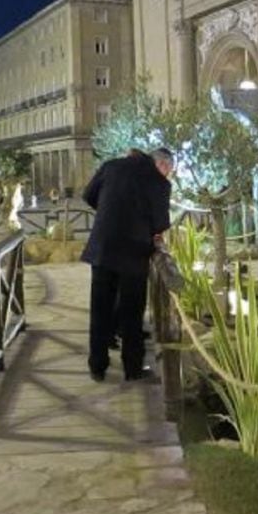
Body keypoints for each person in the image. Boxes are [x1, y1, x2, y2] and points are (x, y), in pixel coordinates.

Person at [81, 147, 173, 382]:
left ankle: (97, 366)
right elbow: (161, 222)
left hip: (103, 246)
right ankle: (132, 368)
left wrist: (109, 213)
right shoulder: (159, 183)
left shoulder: (111, 166)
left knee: (100, 308)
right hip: (134, 251)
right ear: (162, 164)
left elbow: (88, 195)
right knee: (132, 312)